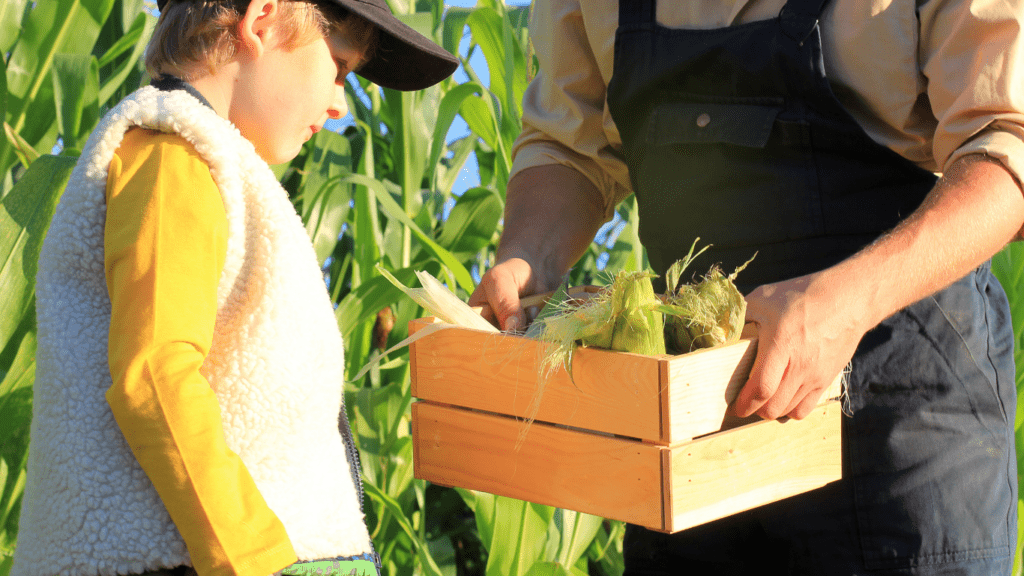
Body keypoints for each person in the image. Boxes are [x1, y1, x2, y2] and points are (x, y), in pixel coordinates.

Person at [468, 0, 1024, 573]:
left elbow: (1008, 145)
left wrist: (845, 302)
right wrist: (528, 257)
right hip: (688, 440)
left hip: (902, 424)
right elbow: (568, 142)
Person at [12, 1, 456, 575]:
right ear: (263, 19)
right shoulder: (172, 157)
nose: (340, 103)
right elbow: (154, 372)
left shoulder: (207, 163)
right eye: (340, 67)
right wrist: (254, 557)